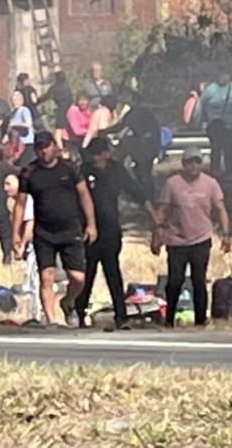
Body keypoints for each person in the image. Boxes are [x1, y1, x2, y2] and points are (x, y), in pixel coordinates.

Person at [11, 131, 98, 327]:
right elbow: (20, 204)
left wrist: (91, 224)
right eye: (39, 148)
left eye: (46, 146)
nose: (43, 151)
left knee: (78, 277)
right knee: (46, 276)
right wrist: (15, 233)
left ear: (54, 146)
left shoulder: (69, 168)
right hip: (44, 231)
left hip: (70, 228)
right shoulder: (29, 173)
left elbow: (84, 195)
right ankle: (51, 321)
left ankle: (67, 302)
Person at [75, 137, 157, 329]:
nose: (95, 156)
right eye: (92, 152)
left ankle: (121, 316)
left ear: (105, 153)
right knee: (88, 273)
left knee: (113, 272)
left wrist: (152, 212)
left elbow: (135, 191)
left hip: (111, 229)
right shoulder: (83, 171)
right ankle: (79, 313)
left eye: (98, 152)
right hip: (88, 230)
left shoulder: (116, 170)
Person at [155, 146, 232, 328]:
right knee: (175, 280)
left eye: (197, 161)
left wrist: (226, 235)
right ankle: (169, 319)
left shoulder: (211, 183)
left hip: (201, 238)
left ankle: (200, 320)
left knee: (199, 279)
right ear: (183, 164)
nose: (193, 165)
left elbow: (221, 209)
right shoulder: (172, 183)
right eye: (190, 162)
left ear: (202, 163)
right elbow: (163, 210)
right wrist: (157, 235)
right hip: (176, 239)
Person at [103, 92, 161, 198]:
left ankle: (148, 196)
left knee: (143, 171)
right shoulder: (140, 111)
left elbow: (122, 126)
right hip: (150, 145)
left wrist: (105, 131)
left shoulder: (137, 112)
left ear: (134, 99)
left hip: (145, 147)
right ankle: (147, 194)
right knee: (142, 171)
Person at [194, 68, 232, 175]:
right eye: (220, 74)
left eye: (225, 74)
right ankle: (215, 169)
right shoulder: (210, 90)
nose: (223, 77)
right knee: (216, 148)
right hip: (215, 124)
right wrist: (197, 120)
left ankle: (230, 170)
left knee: (230, 149)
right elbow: (200, 104)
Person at [6, 173, 39, 320]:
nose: (5, 188)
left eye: (8, 184)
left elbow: (30, 223)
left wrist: (22, 245)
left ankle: (36, 314)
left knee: (34, 280)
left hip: (36, 243)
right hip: (30, 245)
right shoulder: (16, 202)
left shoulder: (27, 200)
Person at [38, 71, 74, 148]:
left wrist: (36, 101)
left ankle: (61, 150)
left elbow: (46, 97)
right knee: (65, 132)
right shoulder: (67, 88)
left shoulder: (54, 88)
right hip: (68, 111)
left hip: (60, 113)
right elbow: (71, 100)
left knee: (58, 134)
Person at [8, 90, 36, 167]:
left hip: (26, 143)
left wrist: (15, 124)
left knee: (24, 165)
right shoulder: (13, 113)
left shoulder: (24, 110)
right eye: (13, 100)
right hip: (17, 144)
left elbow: (29, 124)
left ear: (21, 101)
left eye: (17, 100)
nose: (14, 102)